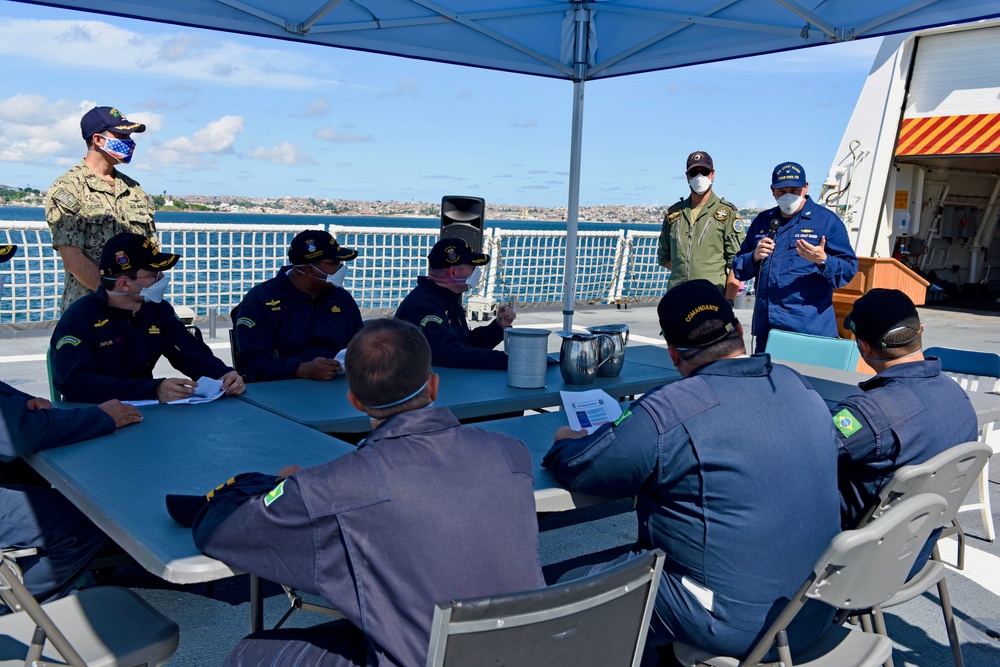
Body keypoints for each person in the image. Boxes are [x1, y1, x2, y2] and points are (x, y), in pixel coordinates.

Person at [189, 318, 545, 666]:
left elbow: (219, 532)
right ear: (434, 386)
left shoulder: (335, 487)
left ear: (354, 401)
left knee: (253, 654)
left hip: (429, 655)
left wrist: (278, 489)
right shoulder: (510, 451)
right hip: (529, 648)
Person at [543, 280, 840, 664]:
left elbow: (587, 469)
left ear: (672, 353)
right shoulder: (798, 385)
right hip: (815, 607)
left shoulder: (671, 411)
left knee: (566, 585)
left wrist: (564, 440)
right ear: (737, 331)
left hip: (735, 625)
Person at [0, 243, 143, 610]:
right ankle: (18, 610)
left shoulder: (157, 313)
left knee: (45, 476)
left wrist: (21, 402)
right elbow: (14, 435)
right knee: (85, 520)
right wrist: (102, 417)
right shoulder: (83, 316)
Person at [833, 289, 978, 568]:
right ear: (920, 331)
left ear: (863, 347)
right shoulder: (958, 396)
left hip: (855, 563)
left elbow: (805, 455)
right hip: (914, 551)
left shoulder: (869, 413)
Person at [50, 233, 245, 404]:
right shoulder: (78, 320)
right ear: (124, 284)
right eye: (154, 274)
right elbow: (73, 383)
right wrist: (153, 389)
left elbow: (190, 352)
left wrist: (223, 375)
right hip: (94, 415)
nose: (162, 279)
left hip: (143, 412)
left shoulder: (157, 311)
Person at [732, 161, 858, 352]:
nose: (788, 195)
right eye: (782, 191)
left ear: (806, 187)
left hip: (809, 330)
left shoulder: (826, 221)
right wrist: (755, 257)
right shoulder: (763, 222)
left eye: (794, 189)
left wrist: (824, 260)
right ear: (772, 191)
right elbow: (739, 266)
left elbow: (848, 270)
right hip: (768, 329)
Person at [45, 106, 156, 312]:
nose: (130, 142)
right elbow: (73, 260)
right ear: (98, 139)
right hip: (89, 310)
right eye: (121, 135)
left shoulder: (134, 189)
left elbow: (150, 253)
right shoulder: (68, 188)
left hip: (137, 308)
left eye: (129, 136)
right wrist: (116, 296)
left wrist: (146, 295)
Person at [233, 230, 364, 382]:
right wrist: (301, 369)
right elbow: (253, 365)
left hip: (338, 388)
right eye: (334, 263)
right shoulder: (260, 301)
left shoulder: (341, 298)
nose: (341, 269)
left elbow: (360, 344)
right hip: (279, 393)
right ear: (309, 269)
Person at [395, 237, 514, 369]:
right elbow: (450, 354)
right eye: (473, 267)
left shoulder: (446, 299)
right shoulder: (423, 307)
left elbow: (465, 344)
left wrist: (497, 328)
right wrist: (513, 361)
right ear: (453, 272)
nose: (477, 272)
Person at [657, 151, 743, 301]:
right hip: (678, 298)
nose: (699, 177)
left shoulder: (727, 214)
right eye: (694, 173)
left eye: (704, 172)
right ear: (687, 176)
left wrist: (728, 302)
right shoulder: (674, 214)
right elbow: (664, 256)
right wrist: (686, 272)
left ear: (712, 174)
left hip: (712, 299)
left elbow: (737, 264)